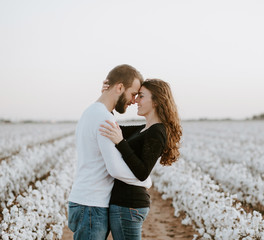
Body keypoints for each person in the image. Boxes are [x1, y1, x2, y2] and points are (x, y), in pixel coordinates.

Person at [67, 64, 152, 240]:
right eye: (133, 94)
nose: (134, 100)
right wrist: (145, 181)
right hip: (91, 207)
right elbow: (115, 169)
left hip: (84, 202)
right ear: (119, 87)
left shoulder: (92, 112)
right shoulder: (103, 117)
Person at [99, 79, 182, 240]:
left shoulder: (157, 132)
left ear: (157, 101)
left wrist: (120, 143)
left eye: (141, 96)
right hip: (126, 204)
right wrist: (106, 98)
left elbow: (142, 172)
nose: (136, 100)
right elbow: (113, 127)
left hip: (129, 205)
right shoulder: (145, 128)